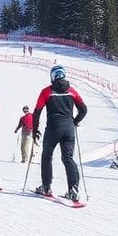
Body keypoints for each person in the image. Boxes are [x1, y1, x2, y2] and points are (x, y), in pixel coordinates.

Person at [32, 64, 88, 201]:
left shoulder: (46, 91)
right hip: (68, 128)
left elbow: (37, 112)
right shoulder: (72, 91)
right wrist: (74, 122)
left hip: (53, 128)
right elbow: (84, 109)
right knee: (68, 158)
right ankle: (73, 189)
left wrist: (35, 130)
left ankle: (46, 187)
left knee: (47, 156)